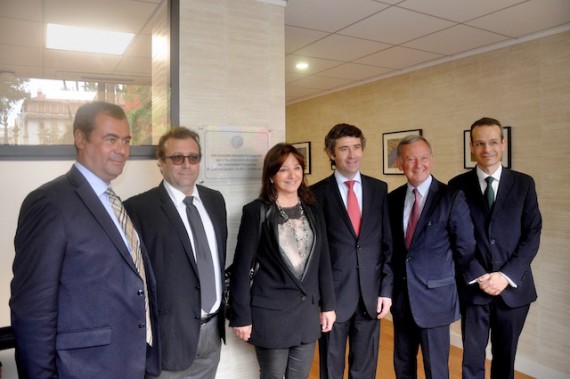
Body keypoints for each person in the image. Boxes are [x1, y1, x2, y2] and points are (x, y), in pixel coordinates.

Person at [10, 101, 160, 378]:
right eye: (111, 139)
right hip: (84, 369)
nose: (123, 150)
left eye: (126, 140)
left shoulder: (115, 204)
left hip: (132, 362)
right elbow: (33, 311)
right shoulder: (50, 203)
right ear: (80, 139)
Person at [124, 126, 227, 379]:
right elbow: (131, 280)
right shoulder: (138, 209)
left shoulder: (215, 201)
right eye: (177, 158)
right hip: (167, 339)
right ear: (161, 162)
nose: (186, 164)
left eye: (193, 157)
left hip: (212, 332)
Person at [230, 143, 336, 379]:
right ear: (270, 175)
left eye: (297, 168)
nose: (292, 175)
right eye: (283, 169)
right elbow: (241, 268)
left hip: (307, 313)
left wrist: (328, 305)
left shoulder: (312, 207)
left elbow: (323, 260)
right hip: (271, 314)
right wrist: (242, 316)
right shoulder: (256, 211)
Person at [449, 117, 542, 379]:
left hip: (513, 290)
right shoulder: (457, 186)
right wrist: (480, 275)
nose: (486, 149)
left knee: (505, 359)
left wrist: (504, 276)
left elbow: (532, 234)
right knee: (472, 361)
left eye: (492, 142)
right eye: (479, 143)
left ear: (503, 144)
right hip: (474, 289)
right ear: (471, 147)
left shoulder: (524, 184)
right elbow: (456, 237)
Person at [388, 135, 477, 379]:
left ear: (432, 159)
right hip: (402, 299)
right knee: (402, 364)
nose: (418, 165)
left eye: (424, 158)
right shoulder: (392, 199)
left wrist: (450, 286)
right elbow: (391, 251)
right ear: (399, 163)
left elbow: (465, 249)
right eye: (410, 159)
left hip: (436, 299)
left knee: (435, 368)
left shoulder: (451, 197)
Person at [311, 123, 393, 379]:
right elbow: (316, 253)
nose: (352, 154)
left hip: (371, 296)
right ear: (330, 153)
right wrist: (323, 300)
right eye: (344, 149)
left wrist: (386, 290)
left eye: (356, 147)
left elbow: (387, 245)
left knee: (365, 367)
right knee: (331, 367)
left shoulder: (378, 189)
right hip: (333, 298)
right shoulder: (315, 194)